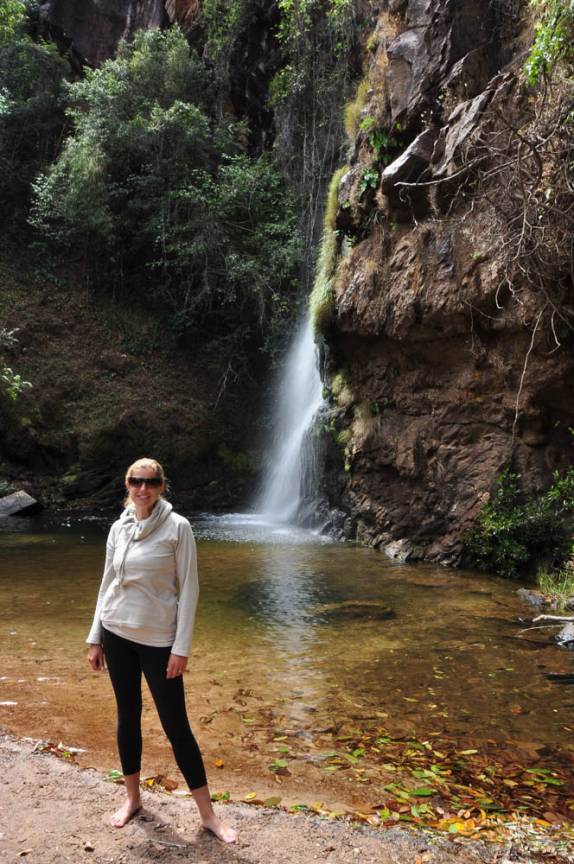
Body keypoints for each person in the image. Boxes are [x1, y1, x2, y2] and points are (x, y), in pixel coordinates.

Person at [86, 457, 237, 843]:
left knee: (176, 726)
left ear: (161, 486)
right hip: (116, 633)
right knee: (127, 716)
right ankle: (132, 799)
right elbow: (107, 583)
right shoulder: (119, 527)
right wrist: (95, 637)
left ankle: (208, 816)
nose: (143, 488)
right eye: (136, 481)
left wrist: (180, 648)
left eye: (151, 482)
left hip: (158, 642)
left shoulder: (178, 528)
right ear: (127, 484)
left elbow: (190, 590)